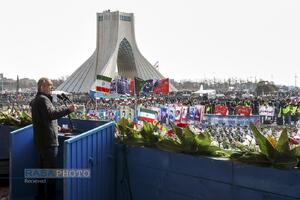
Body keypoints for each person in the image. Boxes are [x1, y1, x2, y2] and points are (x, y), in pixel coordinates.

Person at [30, 78, 76, 200]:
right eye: (50, 85)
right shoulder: (43, 100)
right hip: (48, 142)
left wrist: (55, 126)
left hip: (41, 141)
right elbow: (51, 114)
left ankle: (40, 196)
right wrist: (68, 109)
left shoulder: (36, 100)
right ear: (42, 87)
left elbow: (44, 118)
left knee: (42, 173)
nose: (52, 87)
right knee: (51, 174)